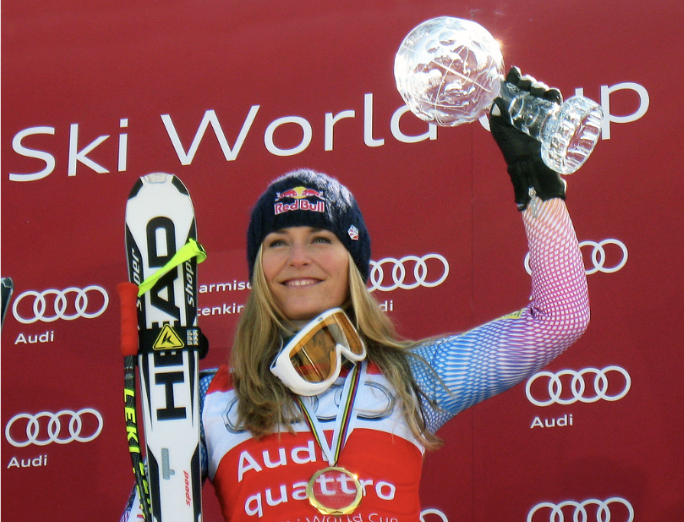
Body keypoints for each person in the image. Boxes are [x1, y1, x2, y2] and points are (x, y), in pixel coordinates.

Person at [121, 68, 590, 521]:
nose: (298, 257)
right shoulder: (206, 399)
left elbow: (558, 318)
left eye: (322, 240)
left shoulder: (411, 380)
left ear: (355, 266)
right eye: (277, 242)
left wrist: (538, 186)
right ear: (257, 269)